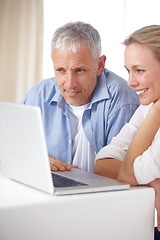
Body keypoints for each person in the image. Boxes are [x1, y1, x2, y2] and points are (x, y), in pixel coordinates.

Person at [21, 21, 139, 173]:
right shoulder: (38, 95)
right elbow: (11, 145)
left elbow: (117, 173)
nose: (70, 84)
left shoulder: (122, 101)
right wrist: (39, 159)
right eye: (61, 70)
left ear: (100, 65)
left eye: (80, 70)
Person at [94, 25, 160, 239]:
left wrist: (157, 110)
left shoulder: (153, 107)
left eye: (139, 70)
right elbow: (102, 165)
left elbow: (126, 174)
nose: (130, 82)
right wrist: (153, 181)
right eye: (128, 70)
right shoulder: (148, 107)